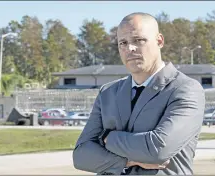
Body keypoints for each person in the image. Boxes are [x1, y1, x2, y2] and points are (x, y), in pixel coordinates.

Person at [73, 12, 205, 175]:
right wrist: (127, 161)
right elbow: (80, 156)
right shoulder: (108, 92)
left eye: (139, 40)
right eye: (123, 43)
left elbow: (158, 149)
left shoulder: (185, 89)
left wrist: (107, 137)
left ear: (159, 41)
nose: (130, 48)